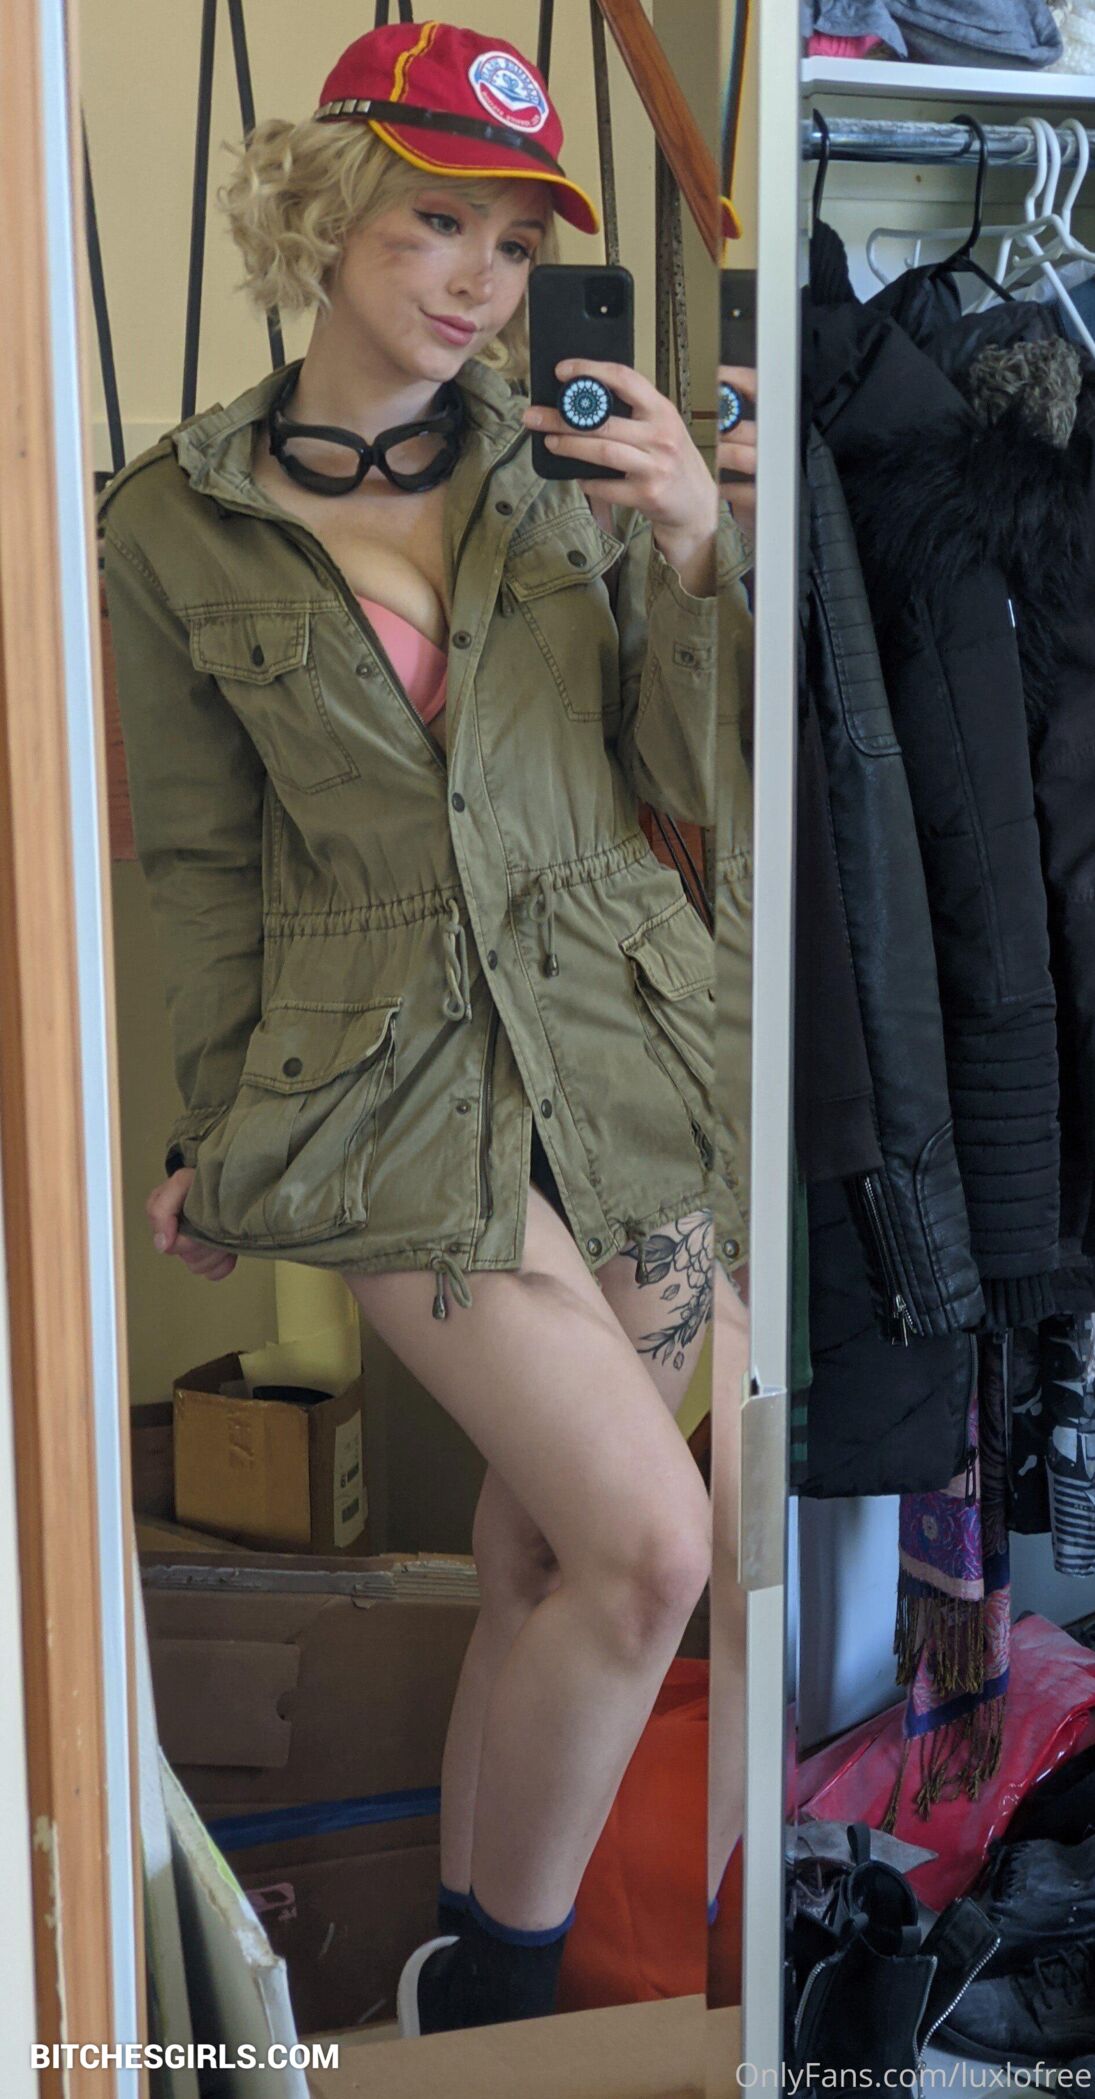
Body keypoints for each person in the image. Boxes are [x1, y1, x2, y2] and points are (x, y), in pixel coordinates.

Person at [99, 20, 752, 2035]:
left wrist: (689, 546)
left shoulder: (563, 469)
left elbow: (691, 779)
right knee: (645, 1553)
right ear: (326, 219)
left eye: (510, 242)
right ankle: (500, 2011)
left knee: (561, 1556)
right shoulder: (168, 523)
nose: (478, 280)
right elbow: (201, 862)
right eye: (434, 224)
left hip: (619, 1054)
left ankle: (441, 1964)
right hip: (376, 1087)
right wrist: (212, 1127)